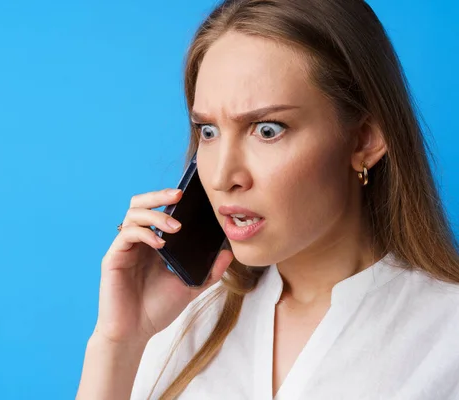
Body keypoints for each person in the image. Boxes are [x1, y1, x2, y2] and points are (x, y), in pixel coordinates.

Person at [76, 0, 459, 399]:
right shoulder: (175, 321)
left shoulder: (447, 336)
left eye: (267, 130)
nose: (223, 177)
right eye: (208, 131)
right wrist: (118, 344)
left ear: (364, 139)